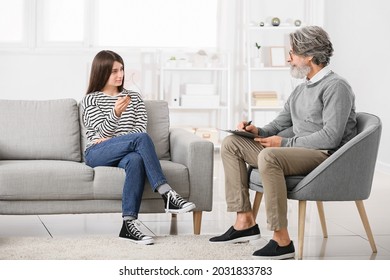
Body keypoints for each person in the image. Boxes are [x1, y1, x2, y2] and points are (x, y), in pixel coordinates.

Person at [209, 26, 357, 260]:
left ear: (309, 55)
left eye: (292, 53)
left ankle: (282, 240)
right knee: (231, 143)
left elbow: (331, 137)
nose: (288, 58)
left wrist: (284, 143)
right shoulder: (301, 89)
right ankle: (244, 222)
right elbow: (278, 124)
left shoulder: (336, 87)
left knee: (270, 156)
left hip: (322, 155)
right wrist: (256, 130)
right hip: (295, 149)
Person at [81, 50, 195, 245]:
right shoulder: (91, 100)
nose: (120, 75)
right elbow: (100, 136)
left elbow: (139, 129)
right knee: (140, 140)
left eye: (121, 69)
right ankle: (167, 194)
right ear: (101, 73)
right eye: (114, 71)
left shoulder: (134, 97)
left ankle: (128, 224)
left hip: (126, 152)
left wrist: (115, 139)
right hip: (97, 153)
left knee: (135, 159)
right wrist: (116, 113)